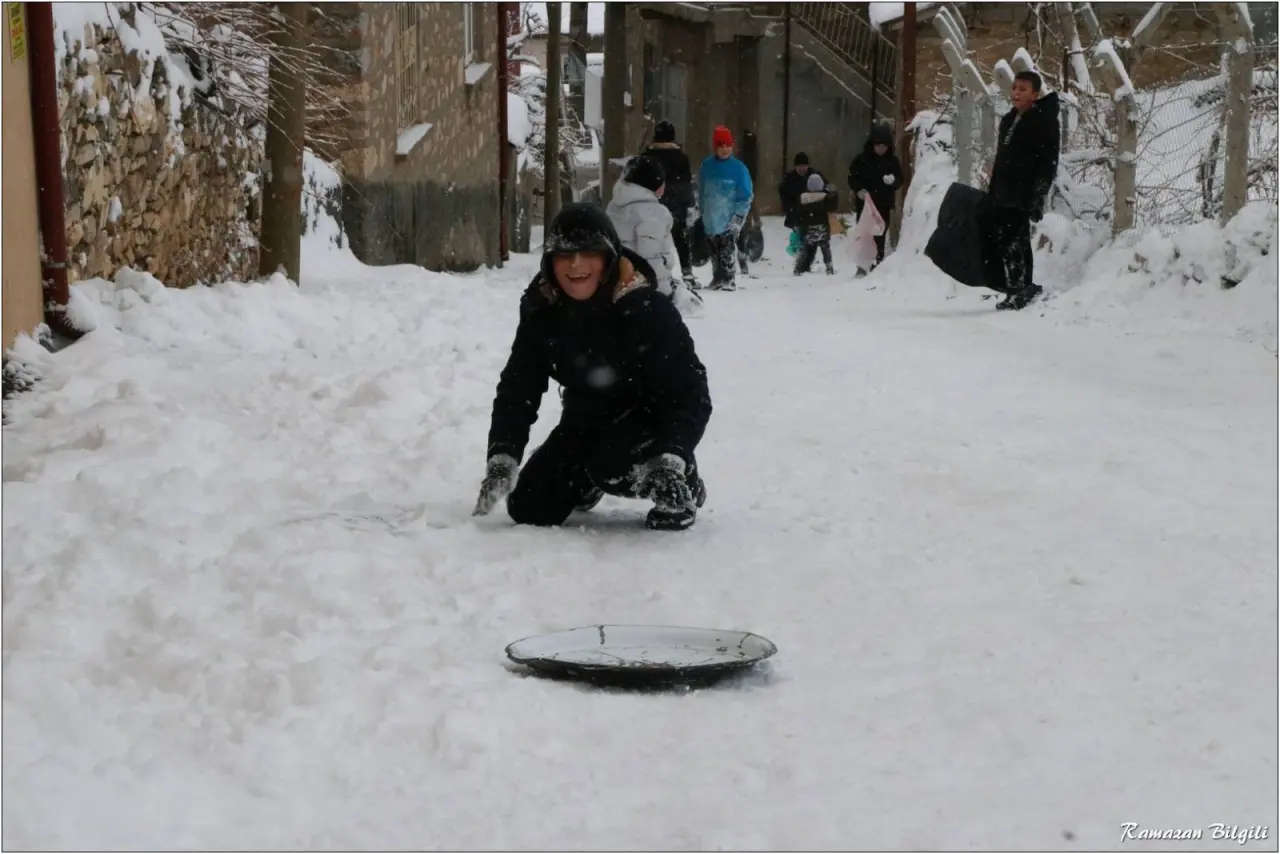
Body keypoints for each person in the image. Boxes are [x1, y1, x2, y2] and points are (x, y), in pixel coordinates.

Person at [472, 203, 712, 532]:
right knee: (529, 504)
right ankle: (586, 480)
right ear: (549, 262)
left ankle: (679, 481)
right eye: (563, 255)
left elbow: (690, 393)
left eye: (589, 253)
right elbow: (519, 386)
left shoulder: (646, 309)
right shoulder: (543, 309)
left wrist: (672, 454)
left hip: (647, 421)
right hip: (585, 418)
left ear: (609, 258)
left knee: (610, 464)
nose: (576, 264)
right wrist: (503, 456)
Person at [983, 69, 1060, 311]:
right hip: (1004, 190)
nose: (1016, 93)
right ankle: (1017, 286)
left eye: (1023, 89)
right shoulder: (1008, 120)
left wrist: (1039, 194)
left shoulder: (1044, 122)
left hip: (1023, 190)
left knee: (1015, 239)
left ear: (1035, 94)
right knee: (1009, 239)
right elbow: (1001, 159)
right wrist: (993, 189)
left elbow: (1048, 161)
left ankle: (1019, 288)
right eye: (1014, 88)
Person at [605, 155, 702, 314]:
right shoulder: (653, 213)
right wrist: (665, 293)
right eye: (662, 181)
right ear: (652, 184)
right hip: (641, 286)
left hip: (617, 278)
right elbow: (649, 260)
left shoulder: (615, 206)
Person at [641, 120, 699, 290]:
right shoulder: (681, 157)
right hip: (676, 204)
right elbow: (686, 182)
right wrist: (689, 202)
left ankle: (654, 273)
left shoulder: (647, 156)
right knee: (680, 239)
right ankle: (687, 273)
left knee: (654, 241)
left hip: (653, 205)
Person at [697, 126, 754, 291]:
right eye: (720, 146)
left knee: (727, 249)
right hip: (710, 217)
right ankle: (717, 277)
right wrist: (700, 211)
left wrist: (738, 217)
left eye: (727, 145)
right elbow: (702, 191)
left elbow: (745, 196)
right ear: (715, 147)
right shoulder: (707, 166)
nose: (724, 149)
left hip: (729, 218)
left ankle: (729, 278)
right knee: (714, 250)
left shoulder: (739, 169)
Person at [847, 123, 905, 270]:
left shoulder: (892, 161)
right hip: (865, 205)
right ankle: (862, 265)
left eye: (884, 146)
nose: (881, 149)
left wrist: (893, 181)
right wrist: (859, 190)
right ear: (872, 145)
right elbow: (852, 177)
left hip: (883, 204)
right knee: (865, 235)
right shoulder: (861, 160)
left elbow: (900, 178)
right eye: (878, 145)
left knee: (880, 234)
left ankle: (877, 263)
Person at [792, 172, 838, 276]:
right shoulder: (825, 197)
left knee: (806, 249)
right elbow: (832, 207)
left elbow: (798, 213)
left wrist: (797, 224)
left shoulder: (803, 198)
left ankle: (800, 267)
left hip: (807, 228)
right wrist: (834, 195)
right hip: (822, 227)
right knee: (825, 248)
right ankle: (829, 266)